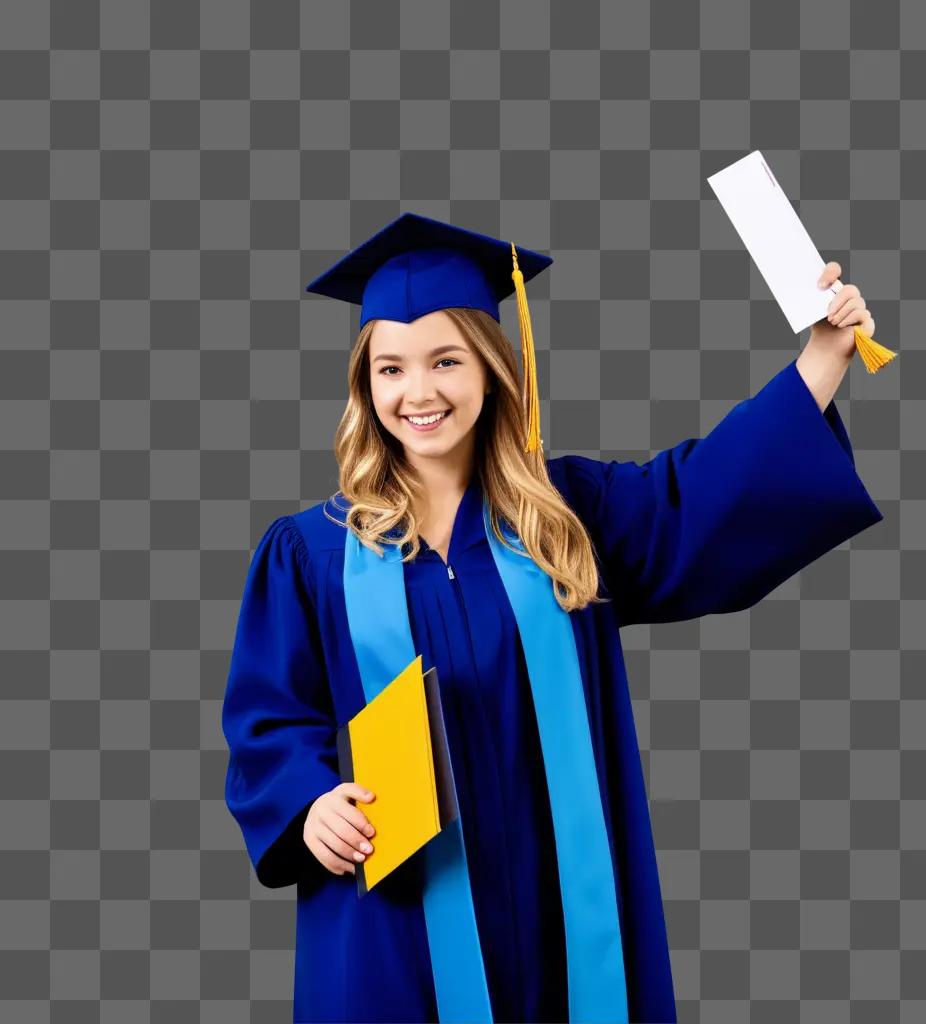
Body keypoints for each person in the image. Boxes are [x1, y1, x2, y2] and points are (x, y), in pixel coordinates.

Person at [221, 211, 883, 1023]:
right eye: (389, 368)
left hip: (560, 901)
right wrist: (311, 802)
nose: (417, 392)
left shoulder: (566, 518)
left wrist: (823, 356)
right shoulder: (311, 553)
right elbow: (269, 723)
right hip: (396, 920)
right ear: (365, 385)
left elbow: (702, 497)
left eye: (445, 361)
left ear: (494, 369)